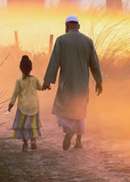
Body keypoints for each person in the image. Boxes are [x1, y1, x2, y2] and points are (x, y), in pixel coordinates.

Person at [42, 15, 103, 150]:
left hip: (66, 84)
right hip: (82, 84)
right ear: (79, 26)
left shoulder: (61, 40)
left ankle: (67, 128)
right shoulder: (88, 41)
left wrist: (47, 81)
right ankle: (78, 141)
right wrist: (99, 81)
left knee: (61, 108)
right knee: (81, 109)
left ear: (66, 26)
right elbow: (94, 64)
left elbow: (54, 62)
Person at [8, 55, 43, 151]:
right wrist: (46, 86)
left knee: (23, 125)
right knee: (33, 124)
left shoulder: (19, 81)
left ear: (21, 69)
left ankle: (25, 144)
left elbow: (15, 94)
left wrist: (11, 104)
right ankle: (33, 140)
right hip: (34, 106)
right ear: (31, 68)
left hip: (23, 107)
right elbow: (40, 88)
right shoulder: (34, 79)